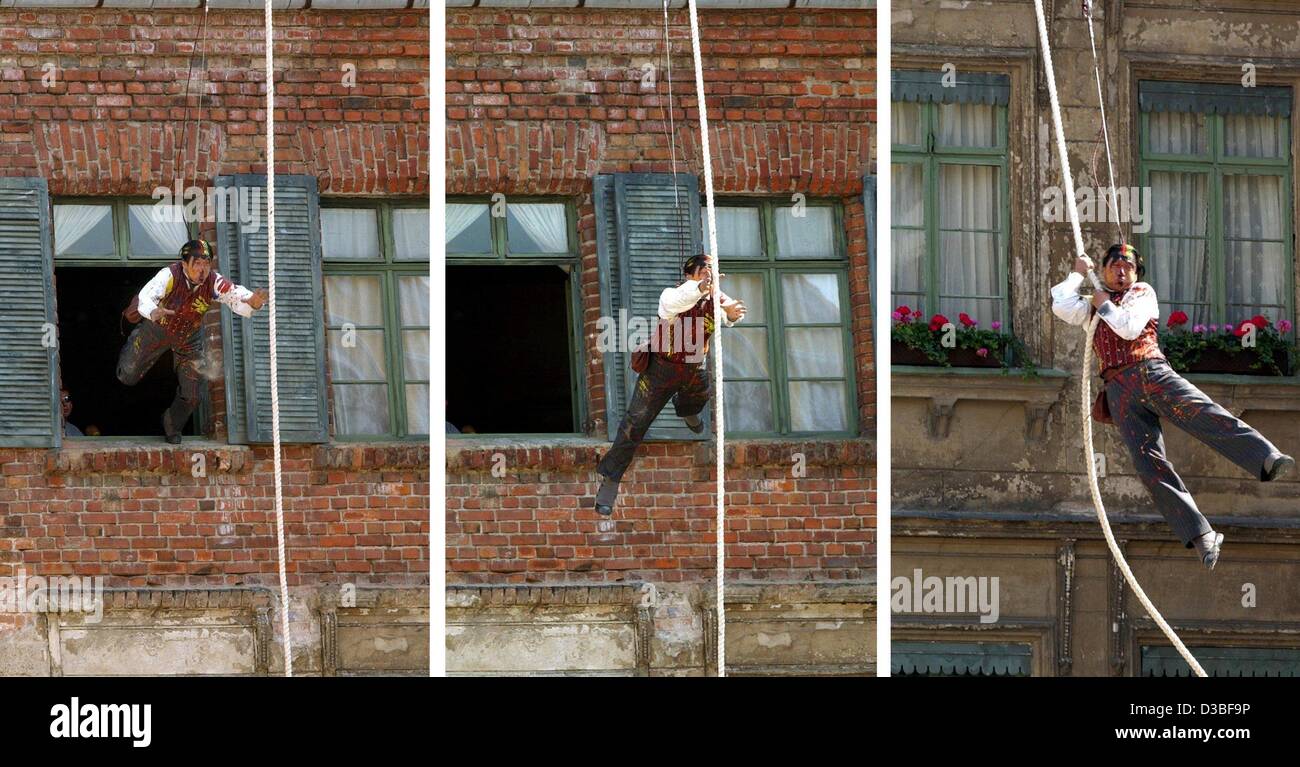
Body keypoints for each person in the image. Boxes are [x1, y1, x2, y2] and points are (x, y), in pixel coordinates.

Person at [1051, 243, 1294, 569]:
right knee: (1149, 465)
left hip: (1150, 372)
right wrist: (1077, 274)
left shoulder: (1141, 293)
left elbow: (1130, 328)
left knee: (1202, 414)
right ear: (1104, 270)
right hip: (1119, 391)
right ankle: (1201, 535)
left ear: (1136, 274)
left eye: (1128, 266)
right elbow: (1061, 305)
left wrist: (1104, 305)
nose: (1121, 271)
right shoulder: (1094, 303)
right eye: (1114, 265)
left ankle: (1264, 457)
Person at [593, 254, 747, 516]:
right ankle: (610, 481)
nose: (710, 276)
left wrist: (732, 313)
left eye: (712, 271)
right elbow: (679, 300)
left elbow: (729, 310)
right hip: (660, 371)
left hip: (693, 368)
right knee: (634, 425)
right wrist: (700, 288)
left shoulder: (715, 298)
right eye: (705, 271)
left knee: (701, 394)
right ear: (691, 274)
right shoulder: (672, 295)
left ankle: (686, 409)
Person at [117, 239, 267, 444]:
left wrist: (253, 302)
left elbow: (234, 293)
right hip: (156, 330)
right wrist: (153, 311)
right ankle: (136, 338)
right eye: (197, 264)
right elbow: (146, 296)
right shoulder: (169, 275)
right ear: (184, 264)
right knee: (126, 375)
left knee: (193, 395)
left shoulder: (213, 281)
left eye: (206, 264)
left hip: (188, 339)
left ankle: (171, 423)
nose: (202, 270)